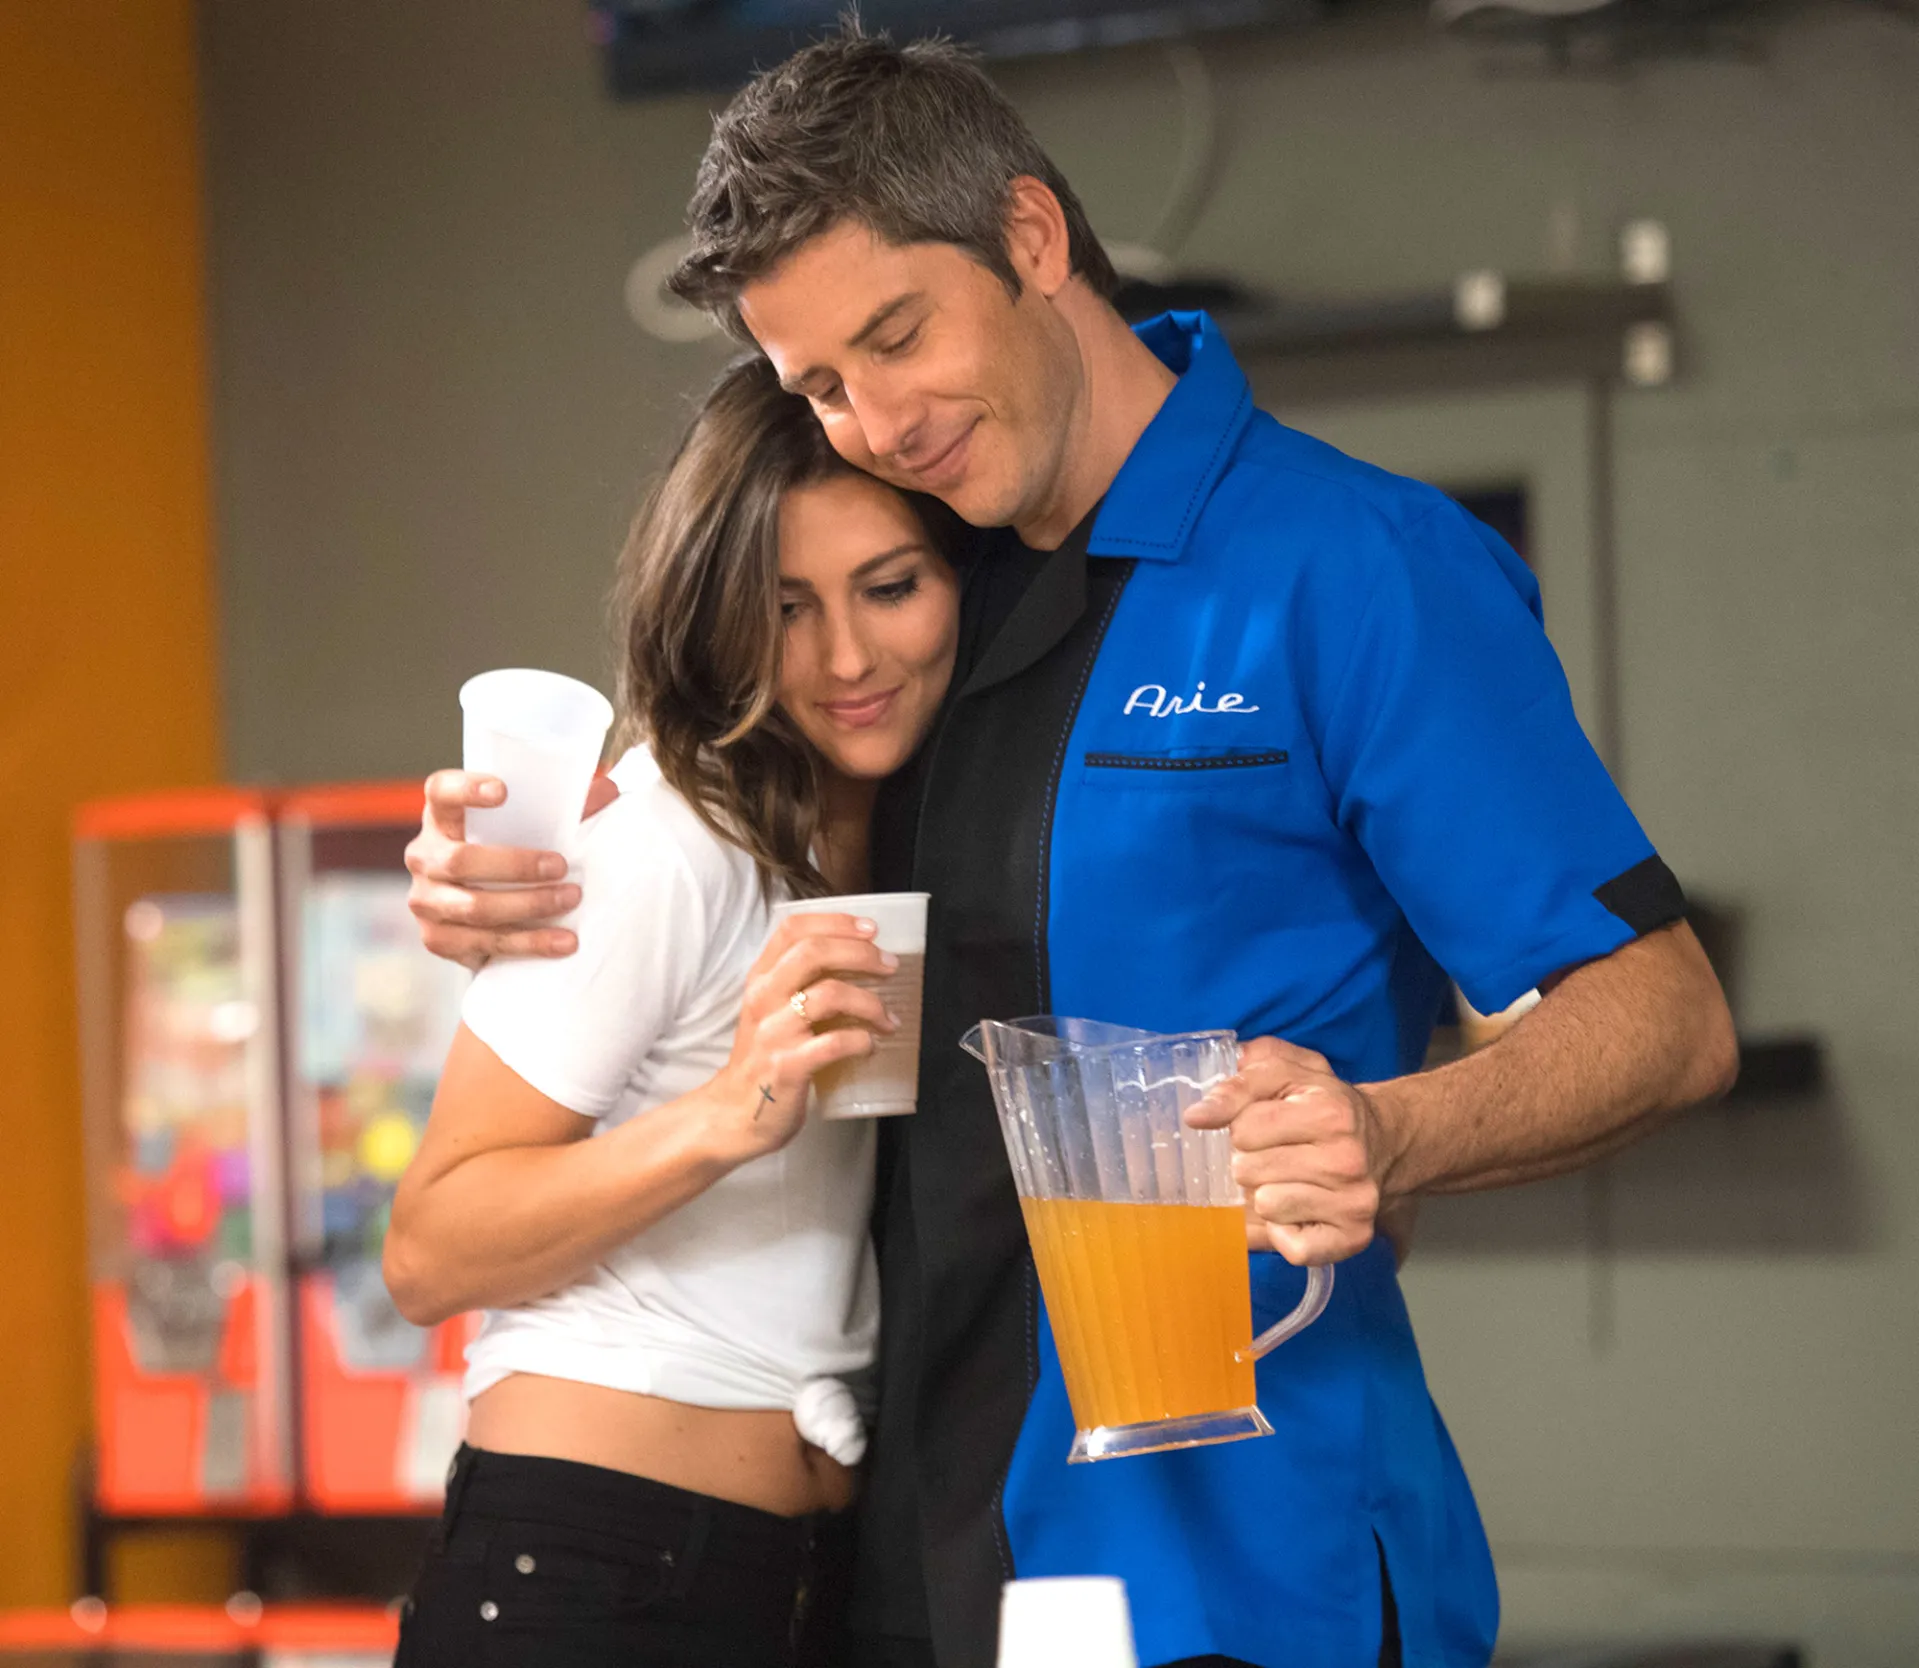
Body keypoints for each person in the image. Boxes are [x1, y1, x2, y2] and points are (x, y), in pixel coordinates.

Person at [403, 29, 1739, 1668]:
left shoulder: (1357, 567)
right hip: (902, 1558)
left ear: (1030, 238)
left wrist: (1386, 1130)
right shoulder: (917, 594)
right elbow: (701, 807)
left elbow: (1662, 1018)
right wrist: (500, 861)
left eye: (900, 334)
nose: (877, 421)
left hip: (1248, 1567)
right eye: (819, 386)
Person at [383, 353, 964, 1667]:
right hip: (586, 1563)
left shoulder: (900, 841)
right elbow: (426, 1251)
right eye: (786, 609)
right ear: (720, 622)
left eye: (890, 587)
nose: (849, 656)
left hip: (795, 1577)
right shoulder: (668, 842)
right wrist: (721, 1116)